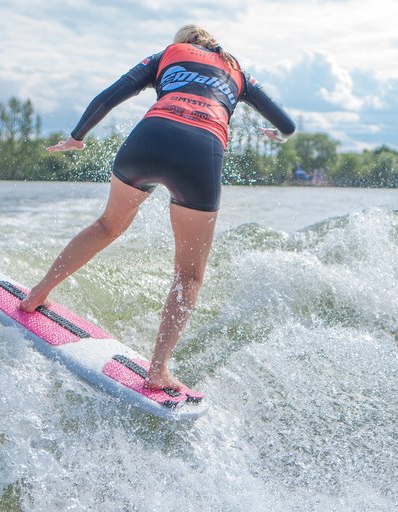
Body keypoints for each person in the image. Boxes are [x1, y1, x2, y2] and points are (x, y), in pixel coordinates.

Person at [19, 25, 295, 393]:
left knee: (107, 226)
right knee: (189, 275)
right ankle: (159, 369)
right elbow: (288, 124)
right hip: (201, 152)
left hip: (148, 141)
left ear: (184, 43)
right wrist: (278, 136)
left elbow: (110, 95)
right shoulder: (238, 72)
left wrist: (77, 136)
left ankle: (37, 295)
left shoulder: (166, 54)